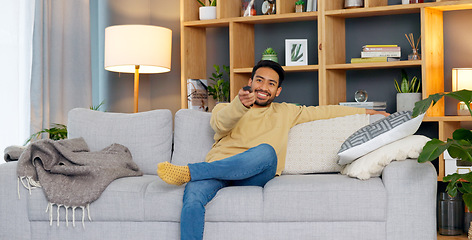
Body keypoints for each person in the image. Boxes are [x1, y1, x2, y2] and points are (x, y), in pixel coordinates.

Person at [157, 60, 389, 240]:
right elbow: (221, 124)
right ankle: (195, 174)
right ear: (251, 81)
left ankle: (191, 171)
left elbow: (325, 111)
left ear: (278, 91)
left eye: (271, 84)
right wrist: (240, 104)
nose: (263, 87)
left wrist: (369, 114)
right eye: (259, 80)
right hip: (215, 173)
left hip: (253, 174)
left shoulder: (287, 111)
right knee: (192, 200)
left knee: (266, 151)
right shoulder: (226, 107)